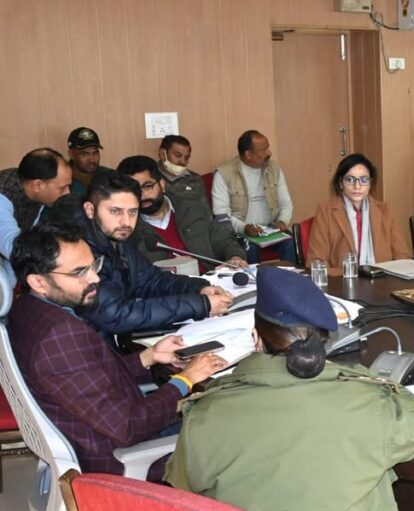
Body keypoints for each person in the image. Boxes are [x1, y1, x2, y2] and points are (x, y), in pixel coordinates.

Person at [165, 266, 414, 511]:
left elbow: (183, 492)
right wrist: (361, 377)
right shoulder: (368, 402)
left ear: (256, 338)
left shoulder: (205, 414)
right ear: (325, 344)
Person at [8, 223, 226, 480]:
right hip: (120, 457)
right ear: (38, 281)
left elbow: (89, 378)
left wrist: (148, 357)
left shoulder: (27, 310)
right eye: (80, 272)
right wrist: (185, 379)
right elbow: (128, 427)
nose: (95, 278)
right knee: (234, 420)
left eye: (94, 265)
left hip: (103, 431)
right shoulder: (59, 335)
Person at [73, 172, 233, 339]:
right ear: (90, 210)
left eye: (132, 212)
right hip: (95, 348)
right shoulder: (79, 252)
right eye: (115, 211)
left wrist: (198, 288)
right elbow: (119, 315)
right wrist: (201, 305)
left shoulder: (117, 238)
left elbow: (151, 280)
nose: (126, 222)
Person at [118, 155, 247, 269]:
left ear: (162, 184)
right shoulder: (127, 229)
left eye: (147, 186)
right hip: (171, 287)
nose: (142, 195)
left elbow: (221, 238)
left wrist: (235, 256)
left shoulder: (192, 207)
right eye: (133, 189)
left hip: (212, 278)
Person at [307, 154, 413, 274]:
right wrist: (351, 274)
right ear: (341, 183)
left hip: (381, 280)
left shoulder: (385, 211)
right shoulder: (326, 211)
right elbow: (315, 262)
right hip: (343, 281)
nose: (357, 186)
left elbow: (402, 257)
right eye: (350, 180)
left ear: (370, 183)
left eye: (364, 180)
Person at [211, 130, 297, 263]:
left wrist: (282, 222)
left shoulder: (274, 169)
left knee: (291, 243)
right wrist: (244, 228)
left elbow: (286, 203)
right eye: (263, 150)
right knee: (249, 247)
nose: (269, 153)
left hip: (271, 228)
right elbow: (222, 216)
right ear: (248, 155)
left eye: (268, 148)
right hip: (240, 231)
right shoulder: (224, 174)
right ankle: (254, 277)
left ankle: (290, 275)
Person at [0, 149, 74, 285]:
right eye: (62, 188)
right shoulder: (3, 193)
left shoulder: (33, 189)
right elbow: (13, 247)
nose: (67, 193)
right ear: (37, 185)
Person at [157, 134, 210, 204]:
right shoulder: (150, 178)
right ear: (162, 154)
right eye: (178, 155)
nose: (183, 162)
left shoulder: (195, 179)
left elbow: (204, 208)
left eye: (186, 157)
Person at [67, 127, 113, 197]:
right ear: (71, 154)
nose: (92, 159)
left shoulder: (110, 176)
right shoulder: (61, 179)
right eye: (85, 154)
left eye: (95, 153)